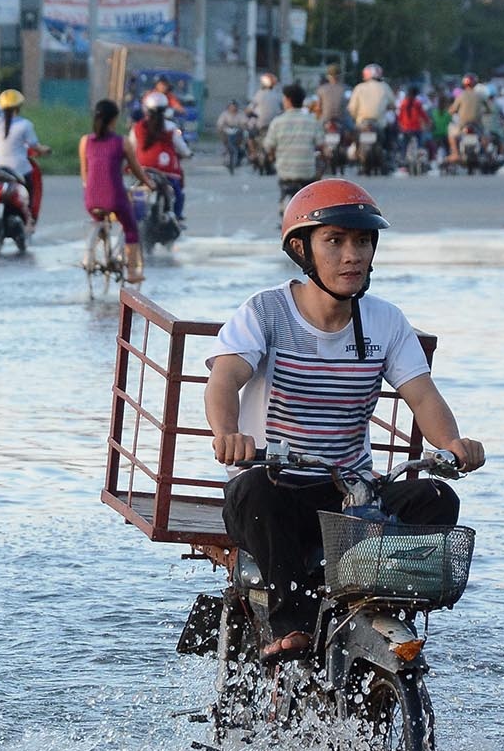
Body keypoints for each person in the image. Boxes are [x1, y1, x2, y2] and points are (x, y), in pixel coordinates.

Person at [204, 180, 484, 656]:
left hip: (350, 496)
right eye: (334, 241)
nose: (351, 255)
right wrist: (227, 433)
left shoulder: (385, 321)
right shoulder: (265, 312)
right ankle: (289, 626)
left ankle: (376, 618)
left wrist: (453, 445)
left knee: (437, 498)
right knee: (254, 492)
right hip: (278, 488)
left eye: (362, 241)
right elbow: (225, 378)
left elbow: (423, 395)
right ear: (301, 249)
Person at [81, 98, 153, 284]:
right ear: (114, 119)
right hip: (114, 197)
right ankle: (131, 272)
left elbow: (85, 175)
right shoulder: (122, 142)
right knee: (130, 228)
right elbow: (136, 170)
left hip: (91, 199)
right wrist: (149, 183)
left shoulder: (85, 141)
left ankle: (96, 248)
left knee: (98, 219)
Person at [0, 88, 50, 228]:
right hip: (19, 169)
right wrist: (46, 150)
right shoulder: (25, 125)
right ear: (19, 107)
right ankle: (29, 220)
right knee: (30, 190)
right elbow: (35, 146)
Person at [128, 91, 189, 222]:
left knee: (134, 189)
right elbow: (182, 148)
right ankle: (176, 217)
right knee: (177, 192)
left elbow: (130, 148)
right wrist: (188, 154)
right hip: (166, 171)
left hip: (142, 170)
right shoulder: (171, 127)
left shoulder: (137, 128)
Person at [263, 82, 320, 197]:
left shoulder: (277, 122)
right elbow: (321, 145)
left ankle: (283, 203)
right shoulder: (312, 121)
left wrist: (273, 156)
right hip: (308, 174)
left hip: (285, 173)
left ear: (288, 100)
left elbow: (268, 146)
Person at [445, 74, 496, 165]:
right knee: (486, 136)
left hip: (463, 124)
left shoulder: (461, 96)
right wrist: (485, 112)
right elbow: (490, 109)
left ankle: (456, 153)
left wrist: (452, 112)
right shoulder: (480, 95)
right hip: (477, 124)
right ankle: (487, 154)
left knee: (451, 135)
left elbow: (452, 110)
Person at [347, 64, 395, 141]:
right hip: (380, 123)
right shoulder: (385, 87)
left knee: (353, 141)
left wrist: (355, 117)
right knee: (389, 139)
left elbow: (352, 108)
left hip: (361, 122)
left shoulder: (359, 87)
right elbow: (393, 105)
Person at [314, 66, 349, 134]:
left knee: (317, 130)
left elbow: (318, 108)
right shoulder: (347, 88)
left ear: (328, 76)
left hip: (326, 119)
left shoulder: (321, 89)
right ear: (341, 76)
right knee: (354, 131)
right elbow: (350, 105)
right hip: (343, 119)